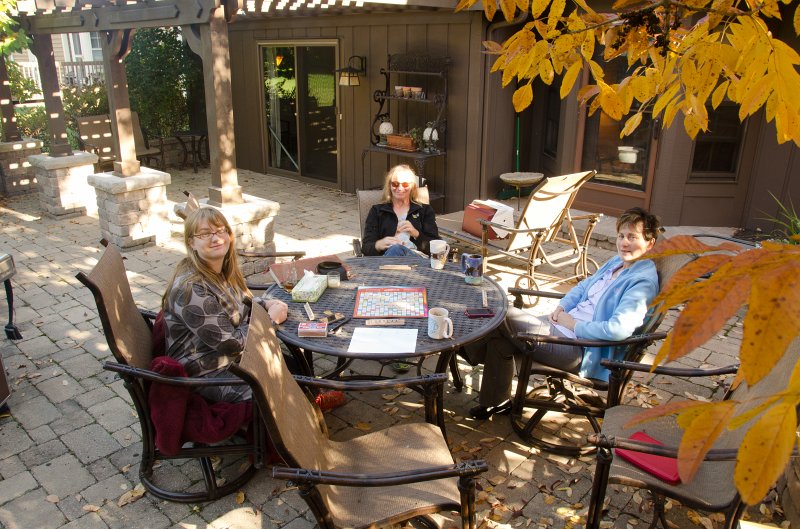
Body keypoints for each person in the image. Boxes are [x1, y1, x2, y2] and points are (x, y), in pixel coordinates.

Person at [464, 207, 662, 419]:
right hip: (562, 329)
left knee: (503, 312)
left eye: (632, 237)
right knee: (499, 341)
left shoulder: (642, 282)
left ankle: (467, 349)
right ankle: (497, 402)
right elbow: (582, 287)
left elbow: (618, 329)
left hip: (581, 349)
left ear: (650, 243)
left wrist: (573, 325)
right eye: (621, 235)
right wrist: (563, 307)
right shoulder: (616, 263)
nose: (624, 242)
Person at [162, 206, 291, 403]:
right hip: (206, 373)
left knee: (289, 365)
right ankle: (288, 426)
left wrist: (268, 302)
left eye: (220, 230)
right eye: (205, 233)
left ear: (229, 236)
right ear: (191, 243)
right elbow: (232, 345)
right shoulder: (191, 290)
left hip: (227, 362)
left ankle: (306, 406)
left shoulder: (217, 270)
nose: (215, 238)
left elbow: (238, 303)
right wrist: (271, 320)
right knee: (273, 389)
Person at [361, 164, 439, 257]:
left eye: (405, 184)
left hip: (416, 260)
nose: (400, 188)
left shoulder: (424, 211)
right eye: (395, 184)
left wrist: (416, 233)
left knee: (396, 249)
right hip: (386, 258)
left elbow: (437, 246)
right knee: (395, 249)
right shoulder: (377, 211)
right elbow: (366, 248)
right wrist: (379, 244)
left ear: (412, 186)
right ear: (389, 185)